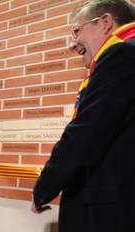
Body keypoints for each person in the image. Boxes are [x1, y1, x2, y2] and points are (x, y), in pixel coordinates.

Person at [31, 0, 135, 231]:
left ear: (105, 22)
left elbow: (85, 133)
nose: (72, 44)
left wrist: (44, 188)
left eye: (76, 31)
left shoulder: (122, 52)